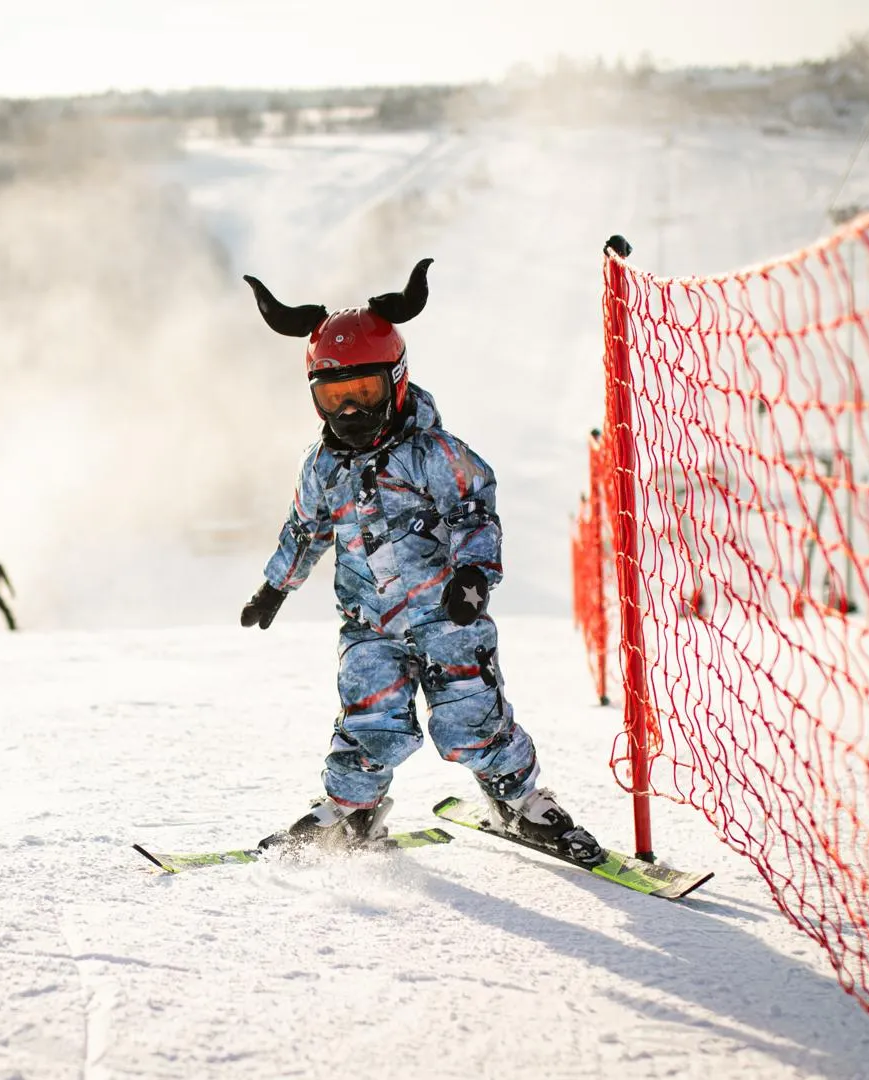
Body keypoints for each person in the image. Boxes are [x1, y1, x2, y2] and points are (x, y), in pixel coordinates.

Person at [237, 258, 605, 868]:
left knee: (472, 715)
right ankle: (353, 812)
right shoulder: (322, 467)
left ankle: (519, 800)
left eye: (365, 394)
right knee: (367, 717)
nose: (351, 413)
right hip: (369, 623)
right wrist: (275, 586)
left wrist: (471, 576)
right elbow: (305, 529)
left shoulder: (433, 454)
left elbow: (474, 513)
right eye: (335, 398)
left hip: (446, 616)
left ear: (398, 382)